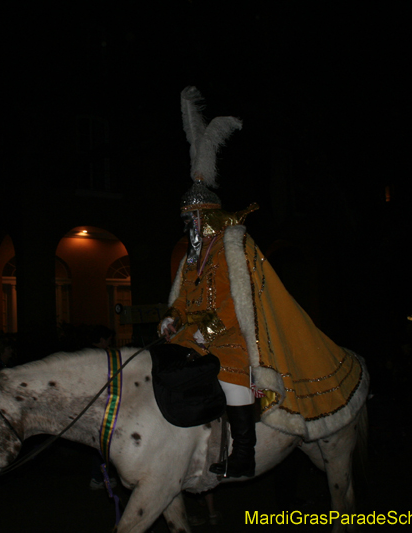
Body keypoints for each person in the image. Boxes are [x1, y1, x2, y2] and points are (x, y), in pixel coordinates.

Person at [159, 87, 365, 478]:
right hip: (194, 335)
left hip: (233, 334)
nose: (189, 228)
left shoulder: (230, 250)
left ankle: (243, 454)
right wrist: (173, 317)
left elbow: (235, 304)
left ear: (208, 217)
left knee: (229, 370)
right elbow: (183, 299)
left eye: (193, 220)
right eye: (186, 221)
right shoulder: (191, 261)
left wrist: (205, 330)